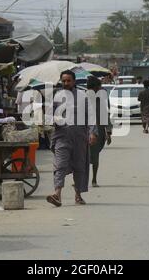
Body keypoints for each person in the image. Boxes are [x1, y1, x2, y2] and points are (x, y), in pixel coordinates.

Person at [46, 70, 97, 207]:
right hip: (62, 136)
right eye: (63, 81)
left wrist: (92, 132)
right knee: (60, 165)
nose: (66, 83)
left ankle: (78, 196)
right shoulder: (57, 97)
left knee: (79, 167)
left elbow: (91, 115)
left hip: (80, 137)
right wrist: (53, 119)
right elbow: (48, 116)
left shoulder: (82, 96)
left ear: (74, 81)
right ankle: (57, 195)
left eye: (68, 80)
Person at [86, 76, 112, 187]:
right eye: (99, 86)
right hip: (86, 131)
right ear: (95, 88)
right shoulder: (83, 99)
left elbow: (104, 115)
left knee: (94, 156)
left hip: (97, 132)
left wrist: (108, 131)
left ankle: (93, 179)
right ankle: (89, 180)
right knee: (88, 157)